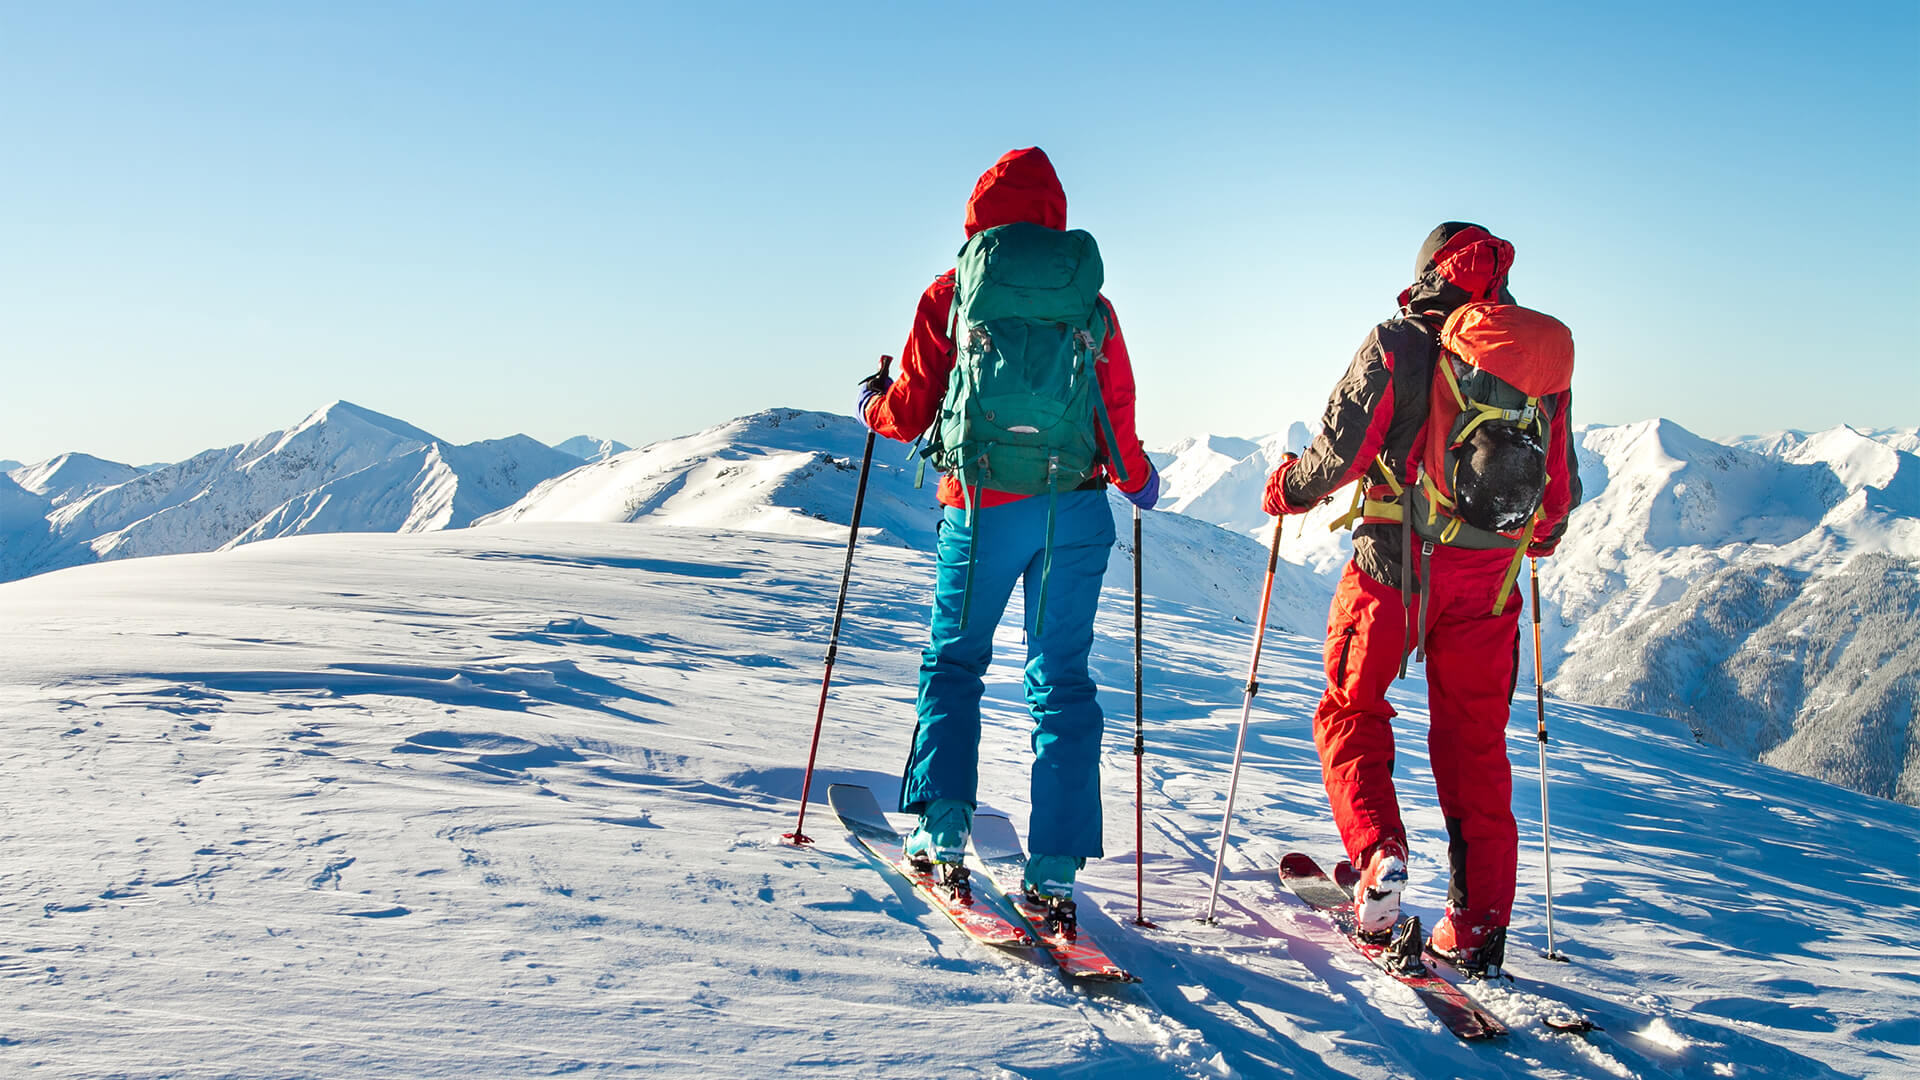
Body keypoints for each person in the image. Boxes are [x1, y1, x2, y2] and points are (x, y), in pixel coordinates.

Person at [1261, 222, 1580, 971]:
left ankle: (1379, 857)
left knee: (1351, 709)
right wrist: (1528, 539)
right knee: (1474, 743)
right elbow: (1556, 493)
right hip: (1489, 583)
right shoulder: (1533, 361)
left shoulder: (1400, 344)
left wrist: (1285, 488)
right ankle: (1477, 925)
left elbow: (1337, 452)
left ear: (1427, 274)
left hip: (1393, 569)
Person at [859, 147, 1159, 924]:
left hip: (984, 501)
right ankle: (1054, 869)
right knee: (1061, 682)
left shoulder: (955, 292)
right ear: (1053, 215)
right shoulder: (1092, 305)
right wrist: (1137, 479)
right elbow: (1114, 411)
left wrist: (872, 405)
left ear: (980, 216)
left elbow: (913, 409)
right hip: (1076, 509)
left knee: (955, 663)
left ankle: (942, 831)